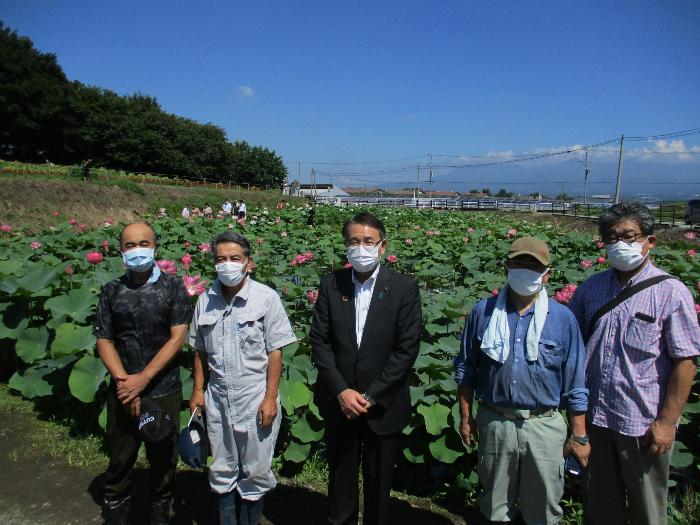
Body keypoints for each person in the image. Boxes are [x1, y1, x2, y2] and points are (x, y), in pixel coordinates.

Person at [569, 201, 699, 525]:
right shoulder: (590, 289)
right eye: (612, 238)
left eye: (629, 236)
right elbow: (571, 347)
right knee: (600, 509)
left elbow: (685, 362)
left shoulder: (671, 292)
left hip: (642, 424)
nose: (619, 244)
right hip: (596, 419)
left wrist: (667, 422)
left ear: (649, 241)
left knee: (647, 512)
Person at [454, 236, 589, 525]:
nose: (526, 270)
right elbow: (466, 368)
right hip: (495, 421)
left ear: (547, 273)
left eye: (533, 265)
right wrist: (466, 416)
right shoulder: (483, 312)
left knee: (543, 508)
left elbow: (575, 381)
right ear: (507, 268)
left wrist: (579, 435)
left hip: (544, 424)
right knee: (494, 505)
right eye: (519, 263)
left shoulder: (562, 318)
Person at [310, 211, 422, 524]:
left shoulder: (403, 289)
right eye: (354, 241)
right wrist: (342, 391)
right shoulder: (331, 284)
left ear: (382, 246)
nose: (361, 247)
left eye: (368, 241)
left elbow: (406, 349)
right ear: (346, 246)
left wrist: (372, 395)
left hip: (383, 405)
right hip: (340, 403)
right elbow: (320, 342)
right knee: (340, 480)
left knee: (379, 485)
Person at [189, 231, 296, 525]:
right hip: (218, 394)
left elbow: (275, 352)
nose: (227, 264)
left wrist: (270, 397)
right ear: (214, 263)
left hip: (254, 395)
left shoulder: (266, 298)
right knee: (221, 466)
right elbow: (198, 350)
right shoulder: (204, 301)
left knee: (256, 469)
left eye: (234, 258)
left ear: (248, 262)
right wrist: (198, 390)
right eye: (221, 258)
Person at [93, 222, 193, 525]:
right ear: (121, 250)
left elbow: (178, 338)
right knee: (120, 457)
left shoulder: (174, 287)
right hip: (122, 388)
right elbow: (103, 339)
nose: (137, 250)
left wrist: (144, 379)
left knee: (163, 457)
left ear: (155, 247)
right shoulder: (112, 290)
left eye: (143, 243)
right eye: (130, 245)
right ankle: (116, 513)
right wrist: (126, 382)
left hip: (162, 388)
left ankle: (159, 513)